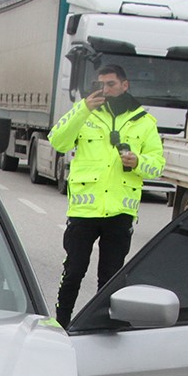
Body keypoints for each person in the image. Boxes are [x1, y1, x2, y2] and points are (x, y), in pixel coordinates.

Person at [47, 64, 165, 325]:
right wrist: (83, 108)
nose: (105, 90)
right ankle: (61, 322)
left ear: (125, 85)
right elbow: (58, 140)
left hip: (120, 211)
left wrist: (138, 161)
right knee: (74, 271)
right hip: (84, 210)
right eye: (100, 85)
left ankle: (101, 325)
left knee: (111, 276)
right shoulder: (86, 114)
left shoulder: (143, 122)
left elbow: (157, 165)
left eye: (111, 84)